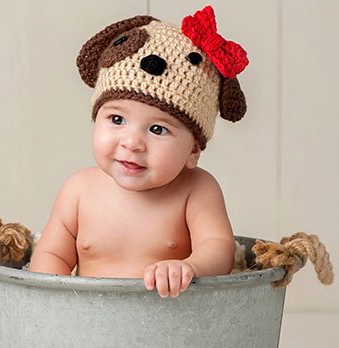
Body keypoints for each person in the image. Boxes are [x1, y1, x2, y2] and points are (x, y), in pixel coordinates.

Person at [29, 5, 249, 298]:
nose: (132, 143)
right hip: (84, 326)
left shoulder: (197, 190)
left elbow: (219, 247)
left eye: (158, 129)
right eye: (117, 119)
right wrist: (48, 297)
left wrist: (189, 267)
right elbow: (52, 255)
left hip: (169, 325)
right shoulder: (78, 190)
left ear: (193, 151)